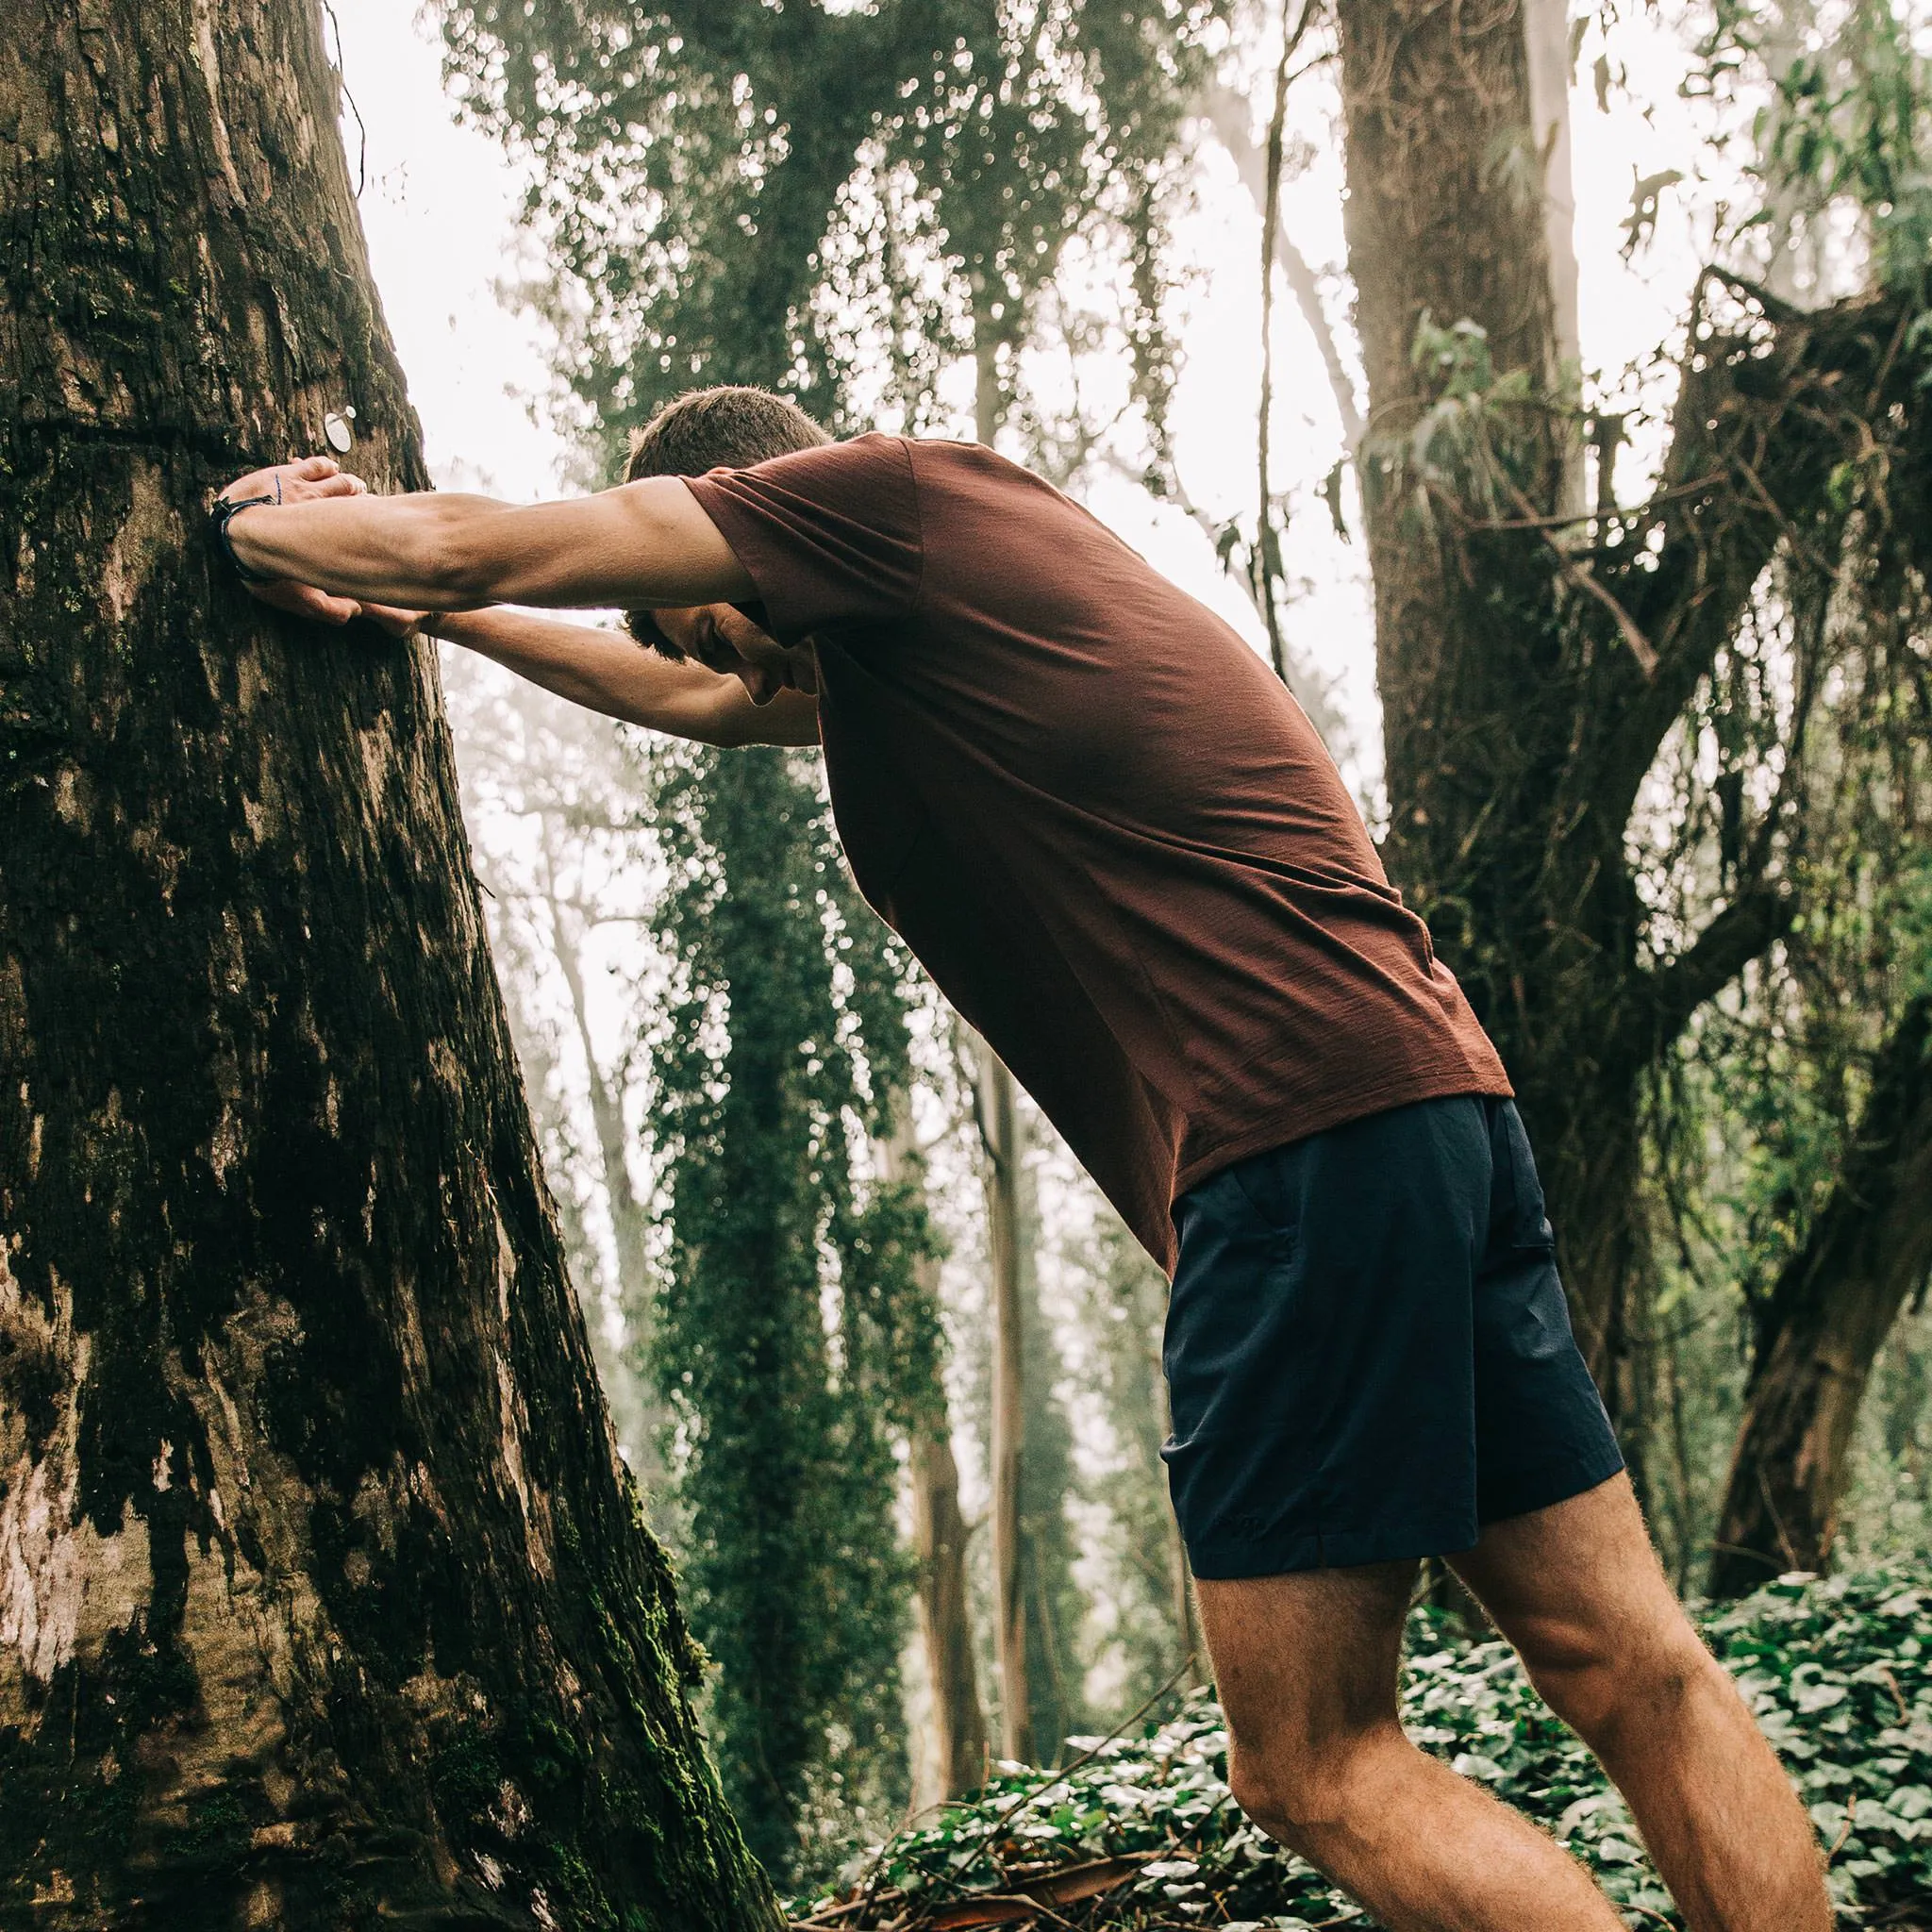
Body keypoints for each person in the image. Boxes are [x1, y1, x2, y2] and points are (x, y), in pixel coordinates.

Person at [213, 389, 1829, 1932]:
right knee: (1635, 1665)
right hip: (1430, 1100)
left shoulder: (879, 504)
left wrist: (291, 533)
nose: (739, 665)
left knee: (1315, 1765)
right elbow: (700, 700)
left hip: (1287, 1143)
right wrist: (442, 629)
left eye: (714, 609)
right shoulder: (950, 618)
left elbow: (463, 547)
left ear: (747, 521)